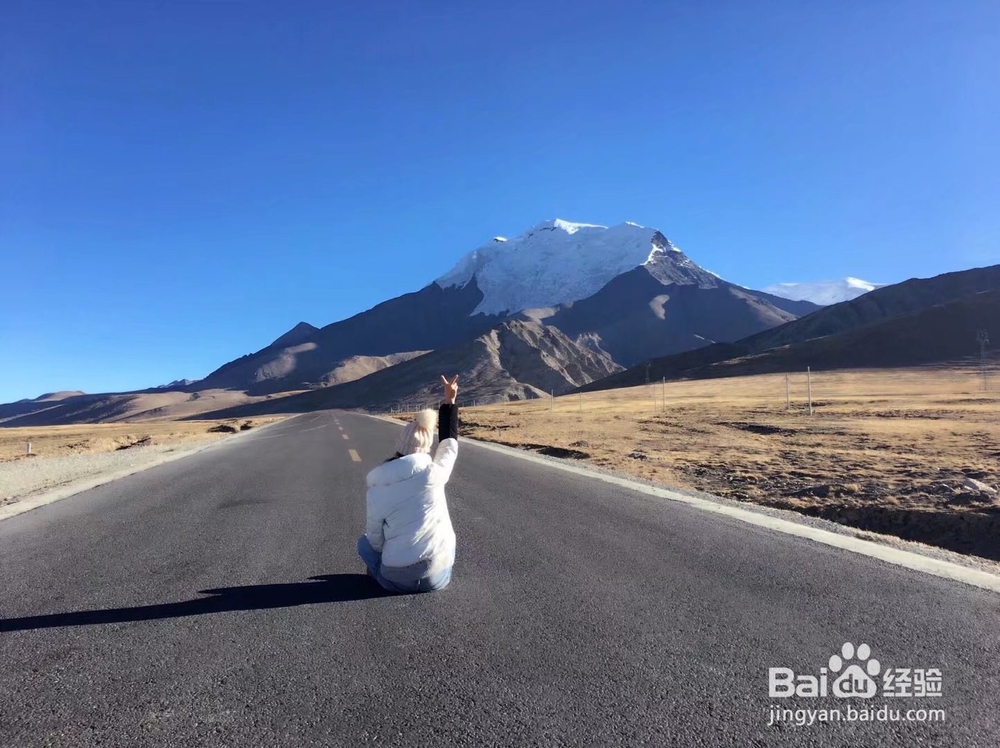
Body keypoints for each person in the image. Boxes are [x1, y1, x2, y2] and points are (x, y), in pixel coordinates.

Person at [357, 375, 460, 593]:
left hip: (396, 579)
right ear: (426, 449)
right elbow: (449, 445)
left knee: (364, 543)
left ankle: (380, 575)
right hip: (437, 577)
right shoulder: (435, 474)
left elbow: (375, 540)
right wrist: (449, 401)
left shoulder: (377, 488)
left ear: (400, 447)